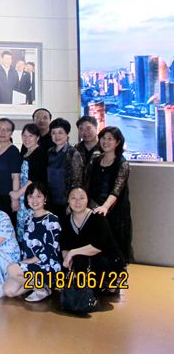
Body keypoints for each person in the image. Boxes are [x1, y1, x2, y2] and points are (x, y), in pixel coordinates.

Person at [2, 182, 62, 302]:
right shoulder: (28, 219)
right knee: (9, 291)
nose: (34, 200)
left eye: (38, 196)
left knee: (11, 269)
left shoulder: (52, 219)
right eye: (31, 196)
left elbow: (49, 250)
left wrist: (27, 262)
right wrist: (24, 263)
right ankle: (42, 287)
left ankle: (40, 289)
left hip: (47, 266)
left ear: (45, 198)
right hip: (31, 266)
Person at [60, 187, 126, 293]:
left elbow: (98, 246)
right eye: (73, 198)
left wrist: (72, 253)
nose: (77, 202)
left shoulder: (98, 218)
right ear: (68, 200)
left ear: (88, 200)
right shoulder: (65, 221)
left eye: (82, 198)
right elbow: (64, 246)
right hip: (83, 262)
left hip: (105, 260)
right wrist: (71, 266)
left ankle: (109, 284)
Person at [84, 126, 132, 263]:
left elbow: (116, 190)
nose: (105, 142)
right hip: (94, 208)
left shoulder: (122, 163)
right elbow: (88, 184)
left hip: (114, 211)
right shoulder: (96, 160)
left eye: (110, 139)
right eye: (103, 138)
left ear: (118, 142)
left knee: (114, 246)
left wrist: (105, 207)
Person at [15, 123, 48, 251]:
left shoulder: (40, 153)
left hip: (33, 196)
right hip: (22, 198)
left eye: (31, 136)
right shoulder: (24, 151)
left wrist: (18, 194)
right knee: (21, 228)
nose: (27, 139)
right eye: (24, 135)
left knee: (32, 229)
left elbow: (33, 179)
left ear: (37, 137)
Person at [46, 118, 83, 218]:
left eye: (60, 132)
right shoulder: (49, 152)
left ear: (67, 134)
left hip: (66, 203)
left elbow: (77, 181)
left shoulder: (73, 153)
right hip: (50, 201)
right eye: (53, 133)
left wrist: (71, 203)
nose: (56, 136)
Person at [0, 118, 21, 217]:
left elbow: (16, 176)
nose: (3, 132)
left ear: (11, 133)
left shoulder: (13, 151)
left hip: (6, 197)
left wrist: (14, 200)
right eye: (0, 129)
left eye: (7, 130)